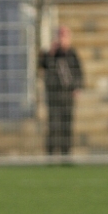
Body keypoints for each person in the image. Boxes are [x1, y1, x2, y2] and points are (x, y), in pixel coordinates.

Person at [39, 25, 83, 157]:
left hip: (67, 95)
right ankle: (51, 155)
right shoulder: (52, 53)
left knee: (66, 126)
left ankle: (66, 155)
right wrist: (51, 52)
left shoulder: (72, 54)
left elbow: (78, 73)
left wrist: (76, 87)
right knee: (53, 126)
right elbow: (42, 65)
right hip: (54, 95)